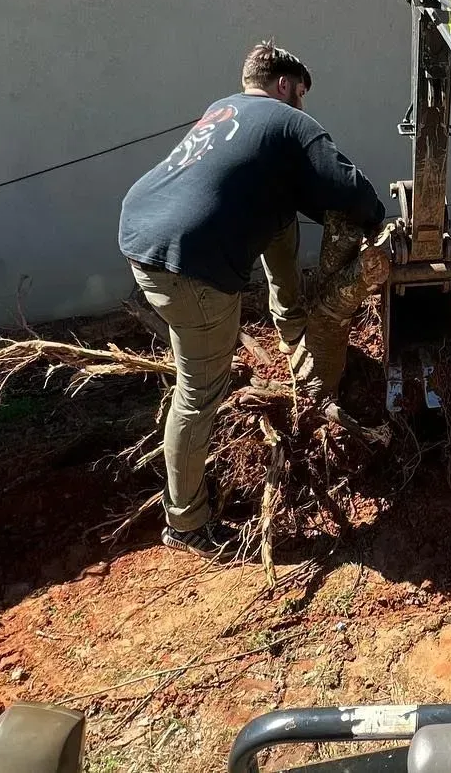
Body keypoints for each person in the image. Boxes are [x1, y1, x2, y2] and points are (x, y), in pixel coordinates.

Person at [119, 40, 386, 557]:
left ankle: (295, 344)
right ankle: (186, 523)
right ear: (284, 85)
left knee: (280, 221)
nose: (304, 106)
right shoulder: (286, 121)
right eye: (301, 94)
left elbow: (279, 210)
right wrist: (379, 223)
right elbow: (345, 184)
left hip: (144, 228)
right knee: (199, 393)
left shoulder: (224, 113)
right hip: (188, 264)